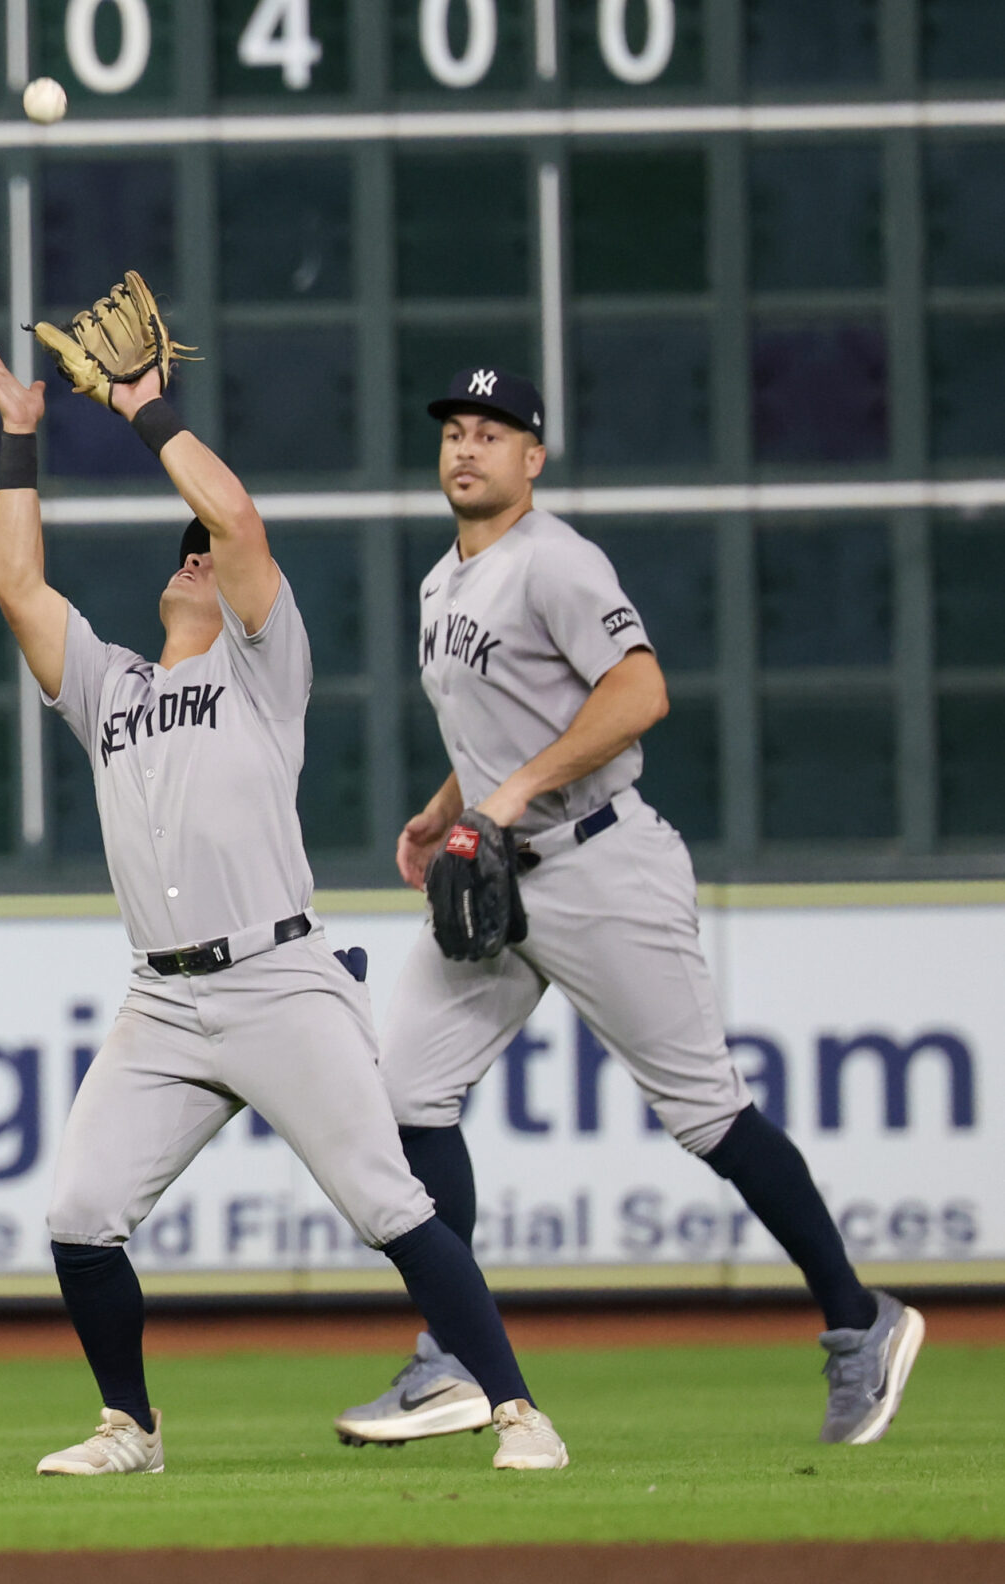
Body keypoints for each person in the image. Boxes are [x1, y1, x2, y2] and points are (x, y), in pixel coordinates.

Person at [0, 323, 569, 1475]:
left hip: (278, 979)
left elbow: (234, 519)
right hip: (162, 1002)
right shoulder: (107, 689)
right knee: (79, 1216)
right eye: (181, 550)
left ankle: (518, 1413)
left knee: (390, 1207)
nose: (196, 556)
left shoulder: (260, 668)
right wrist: (19, 438)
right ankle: (129, 1428)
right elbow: (14, 584)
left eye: (206, 552)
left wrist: (144, 409)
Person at [334, 366, 924, 1451]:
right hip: (499, 869)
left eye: (492, 432)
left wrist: (508, 795)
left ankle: (858, 1322)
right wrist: (445, 808)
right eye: (455, 430)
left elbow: (638, 690)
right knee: (405, 1093)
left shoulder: (555, 560)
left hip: (600, 864)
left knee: (706, 1114)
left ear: (532, 459)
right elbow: (503, 725)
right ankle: (453, 1360)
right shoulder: (440, 583)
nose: (467, 446)